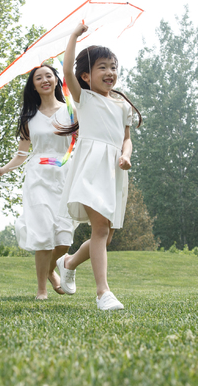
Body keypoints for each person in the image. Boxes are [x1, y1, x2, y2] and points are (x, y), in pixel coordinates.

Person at [54, 23, 142, 311]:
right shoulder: (85, 98)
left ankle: (68, 262)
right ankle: (103, 292)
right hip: (91, 167)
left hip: (115, 170)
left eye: (113, 67)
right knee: (101, 229)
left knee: (105, 234)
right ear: (86, 76)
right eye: (102, 67)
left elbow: (126, 140)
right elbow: (66, 72)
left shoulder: (122, 106)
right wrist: (73, 37)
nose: (110, 72)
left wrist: (126, 155)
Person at [0, 64, 77, 300]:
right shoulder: (29, 117)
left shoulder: (70, 110)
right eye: (38, 78)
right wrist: (3, 170)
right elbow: (22, 154)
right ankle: (42, 290)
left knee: (64, 237)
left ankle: (51, 270)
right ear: (33, 85)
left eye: (48, 76)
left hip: (65, 174)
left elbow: (83, 142)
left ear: (56, 80)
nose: (44, 80)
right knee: (43, 234)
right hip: (38, 177)